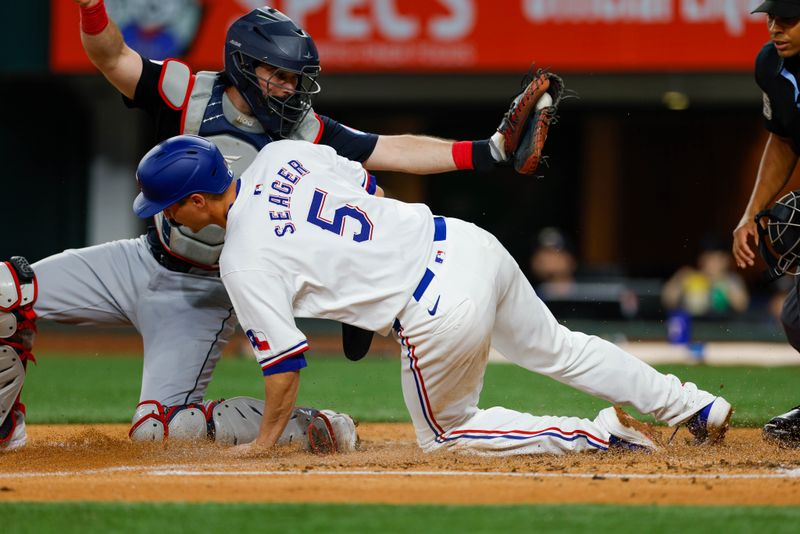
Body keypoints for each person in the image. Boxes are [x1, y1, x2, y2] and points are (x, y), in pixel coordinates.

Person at [0, 2, 556, 451]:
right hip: (140, 258)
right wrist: (92, 7)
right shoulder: (189, 91)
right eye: (280, 75)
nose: (291, 88)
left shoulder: (304, 128)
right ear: (245, 65)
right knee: (6, 289)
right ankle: (6, 429)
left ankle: (312, 428)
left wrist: (487, 151)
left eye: (296, 78)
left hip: (205, 293)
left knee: (160, 432)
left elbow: (392, 151)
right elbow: (112, 57)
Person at [134, 134, 734, 456]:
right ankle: (694, 405)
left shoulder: (241, 258)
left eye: (167, 207)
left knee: (446, 435)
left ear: (193, 202)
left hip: (434, 305)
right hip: (464, 241)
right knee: (562, 348)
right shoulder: (280, 155)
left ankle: (601, 435)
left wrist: (266, 443)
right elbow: (366, 185)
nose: (167, 218)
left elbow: (285, 367)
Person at [733, 0, 800, 448]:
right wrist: (750, 211)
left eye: (788, 18)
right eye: (770, 17)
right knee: (797, 317)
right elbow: (781, 141)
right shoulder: (770, 66)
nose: (775, 27)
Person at [662, 236, 749, 319]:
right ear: (701, 259)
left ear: (726, 260)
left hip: (722, 328)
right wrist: (679, 279)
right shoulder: (690, 276)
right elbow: (668, 300)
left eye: (717, 258)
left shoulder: (732, 280)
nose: (713, 263)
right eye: (709, 258)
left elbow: (742, 305)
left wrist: (719, 283)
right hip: (694, 327)